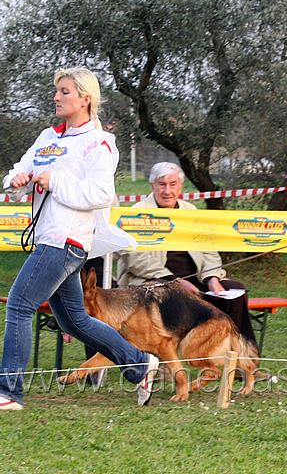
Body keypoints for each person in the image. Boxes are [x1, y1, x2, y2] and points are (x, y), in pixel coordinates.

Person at [0, 67, 159, 411]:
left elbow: (101, 193)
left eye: (65, 91)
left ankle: (8, 393)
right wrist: (17, 181)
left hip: (66, 241)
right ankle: (140, 364)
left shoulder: (99, 144)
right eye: (57, 91)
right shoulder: (48, 136)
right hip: (50, 239)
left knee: (19, 305)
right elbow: (19, 169)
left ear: (86, 99)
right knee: (74, 320)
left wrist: (53, 179)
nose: (56, 97)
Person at [116, 162, 257, 344]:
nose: (167, 191)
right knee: (166, 295)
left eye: (173, 184)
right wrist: (177, 282)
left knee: (235, 292)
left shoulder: (191, 211)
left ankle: (245, 362)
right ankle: (162, 365)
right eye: (162, 184)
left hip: (195, 282)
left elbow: (209, 251)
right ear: (152, 186)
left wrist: (212, 279)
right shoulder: (136, 214)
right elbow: (136, 261)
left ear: (180, 186)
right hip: (154, 283)